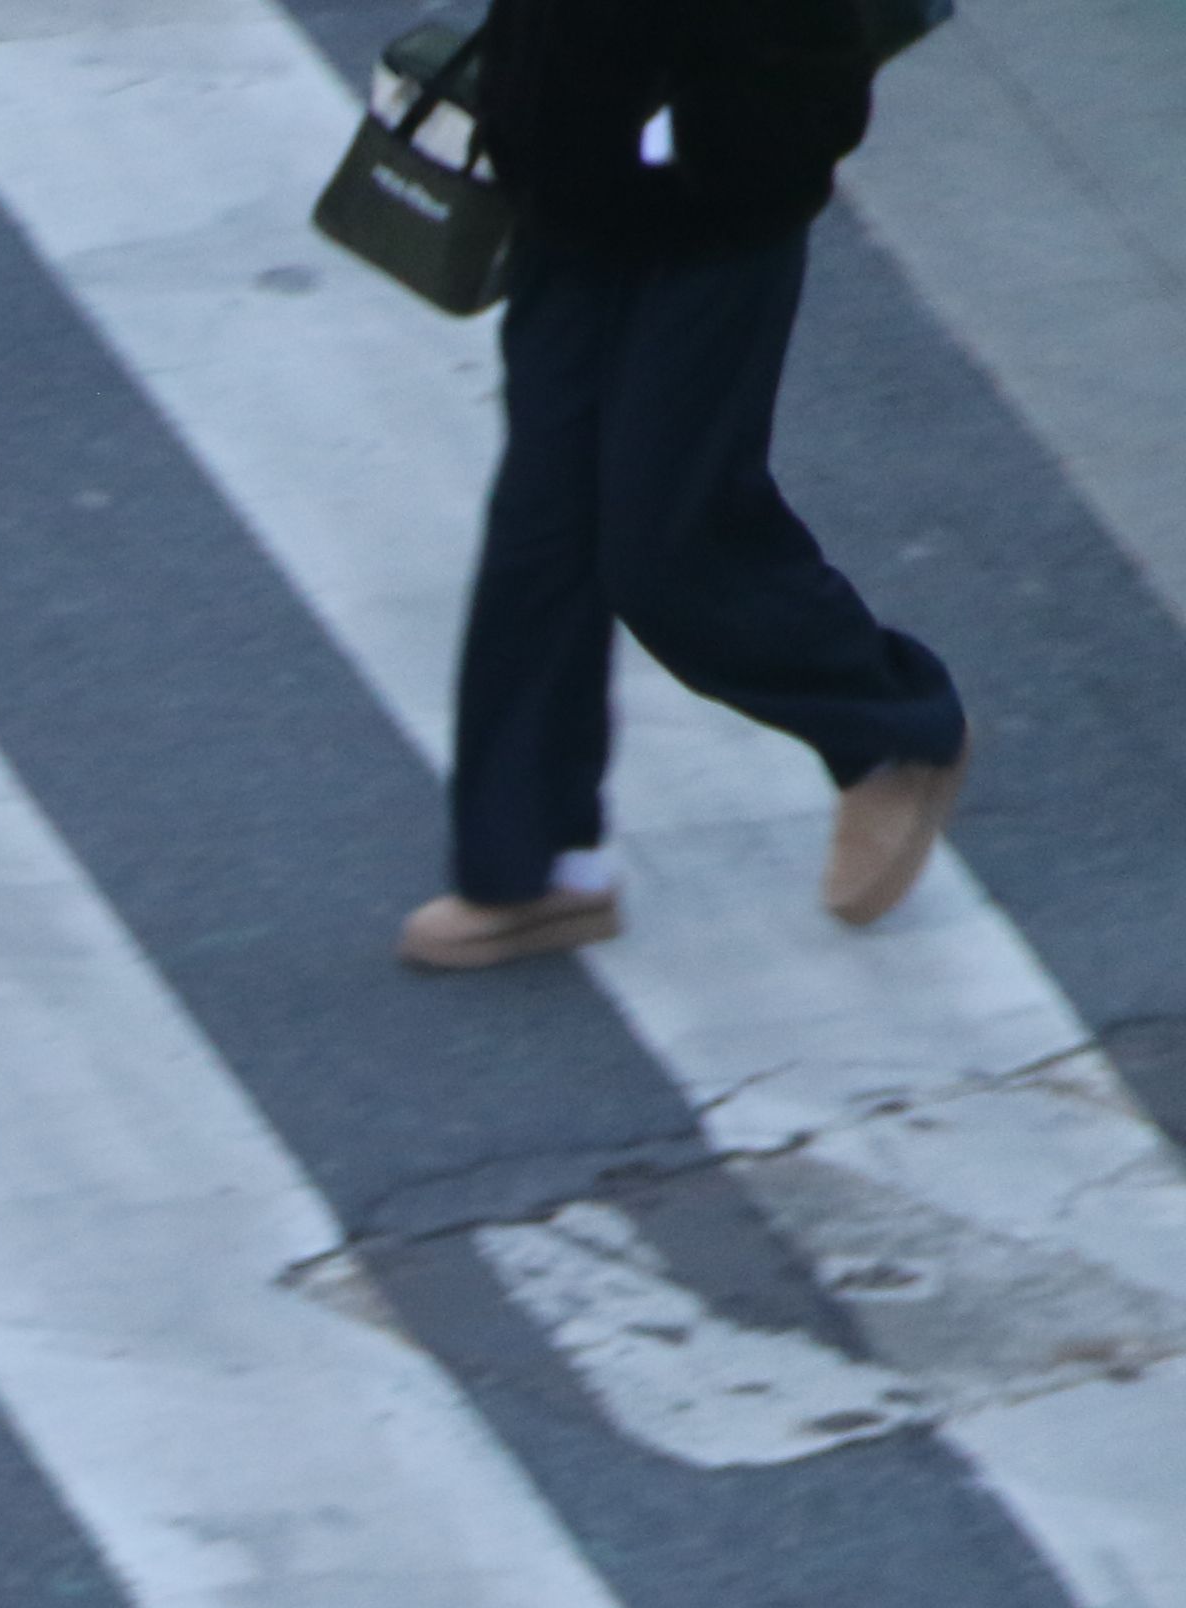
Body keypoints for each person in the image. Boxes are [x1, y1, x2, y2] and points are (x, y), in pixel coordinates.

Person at [401, 0, 967, 968]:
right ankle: (537, 866)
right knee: (542, 530)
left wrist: (757, 132)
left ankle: (889, 730)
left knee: (666, 541)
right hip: (566, 179)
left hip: (717, 204)